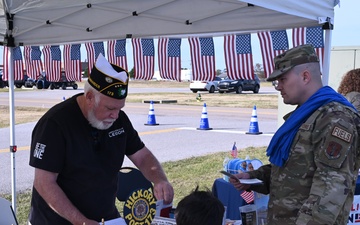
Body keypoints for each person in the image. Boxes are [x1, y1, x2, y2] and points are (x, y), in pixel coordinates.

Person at [28, 54, 174, 225]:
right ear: (89, 97)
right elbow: (44, 183)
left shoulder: (119, 121)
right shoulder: (54, 125)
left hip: (105, 219)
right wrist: (81, 221)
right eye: (110, 108)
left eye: (120, 108)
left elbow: (142, 156)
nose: (115, 115)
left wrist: (159, 179)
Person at [229, 44, 360, 224]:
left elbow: (330, 192)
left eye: (282, 79)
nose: (278, 87)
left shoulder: (334, 118)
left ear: (305, 76)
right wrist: (254, 178)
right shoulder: (305, 115)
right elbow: (292, 170)